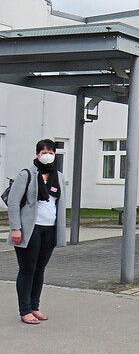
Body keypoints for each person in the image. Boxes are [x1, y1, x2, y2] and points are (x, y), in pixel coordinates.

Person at [7, 139, 67, 324]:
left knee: (40, 269)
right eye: (43, 151)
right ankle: (24, 310)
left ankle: (34, 306)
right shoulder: (27, 174)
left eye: (50, 151)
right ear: (37, 154)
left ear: (55, 154)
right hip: (29, 229)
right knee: (28, 270)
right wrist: (15, 228)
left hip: (49, 230)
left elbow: (59, 203)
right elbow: (14, 202)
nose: (47, 154)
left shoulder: (59, 176)